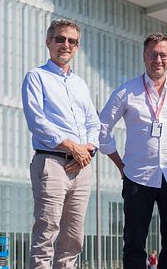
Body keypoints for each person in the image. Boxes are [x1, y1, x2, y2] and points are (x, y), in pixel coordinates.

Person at [99, 32, 167, 269]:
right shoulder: (127, 92)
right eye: (153, 54)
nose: (158, 60)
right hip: (137, 177)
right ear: (144, 56)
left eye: (163, 55)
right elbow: (101, 130)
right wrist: (121, 165)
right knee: (133, 243)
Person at [22, 19, 100, 269]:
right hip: (51, 163)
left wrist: (87, 150)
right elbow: (37, 121)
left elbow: (93, 123)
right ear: (48, 42)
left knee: (73, 239)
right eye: (60, 39)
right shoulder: (36, 77)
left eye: (72, 41)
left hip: (81, 166)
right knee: (47, 232)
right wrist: (72, 147)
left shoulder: (80, 84)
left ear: (77, 47)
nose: (65, 45)